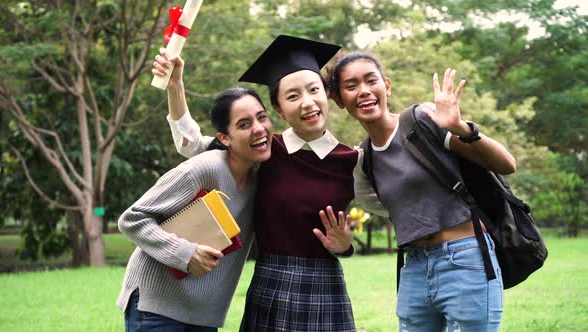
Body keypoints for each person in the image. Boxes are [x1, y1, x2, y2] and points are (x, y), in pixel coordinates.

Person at [160, 35, 386, 332]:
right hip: (271, 283)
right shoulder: (263, 151)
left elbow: (391, 205)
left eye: (314, 90)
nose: (307, 102)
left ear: (327, 95)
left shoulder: (351, 160)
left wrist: (345, 247)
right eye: (293, 96)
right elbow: (189, 142)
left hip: (325, 286)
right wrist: (175, 84)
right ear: (279, 111)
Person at [327, 52, 517, 331]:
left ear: (387, 86)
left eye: (371, 81)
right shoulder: (363, 158)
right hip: (414, 267)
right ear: (340, 100)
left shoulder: (421, 120)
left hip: (465, 258)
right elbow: (387, 207)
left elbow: (506, 164)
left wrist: (460, 128)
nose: (364, 91)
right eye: (352, 85)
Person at [116, 85, 274, 331]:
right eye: (244, 124)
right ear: (224, 138)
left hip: (204, 314)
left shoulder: (261, 176)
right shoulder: (203, 169)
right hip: (158, 305)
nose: (258, 128)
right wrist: (185, 253)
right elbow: (132, 219)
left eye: (261, 117)